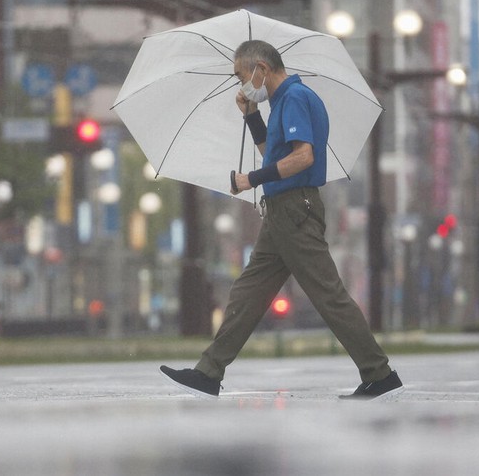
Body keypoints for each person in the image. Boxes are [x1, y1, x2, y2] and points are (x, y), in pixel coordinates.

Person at [160, 40, 403, 400]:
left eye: (241, 76)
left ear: (261, 67)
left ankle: (378, 373)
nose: (241, 84)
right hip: (282, 212)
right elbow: (272, 154)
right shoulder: (281, 103)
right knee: (248, 293)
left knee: (328, 295)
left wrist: (249, 180)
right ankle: (208, 372)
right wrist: (251, 116)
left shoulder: (294, 98)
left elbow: (302, 157)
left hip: (294, 209)